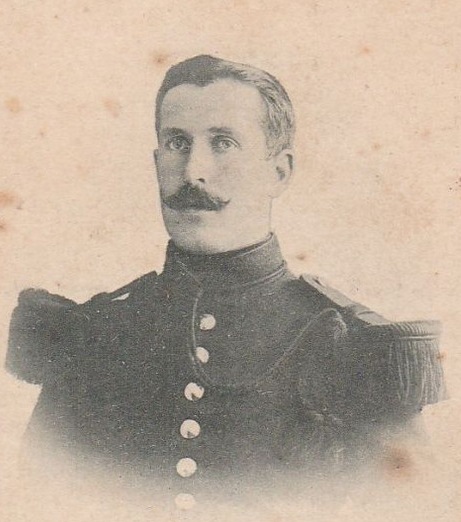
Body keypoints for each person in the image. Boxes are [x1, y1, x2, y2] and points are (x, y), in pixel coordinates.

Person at [6, 55, 445, 508]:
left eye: (223, 143)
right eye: (177, 143)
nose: (193, 171)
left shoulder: (348, 347)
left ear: (279, 171)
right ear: (156, 162)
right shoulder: (92, 337)